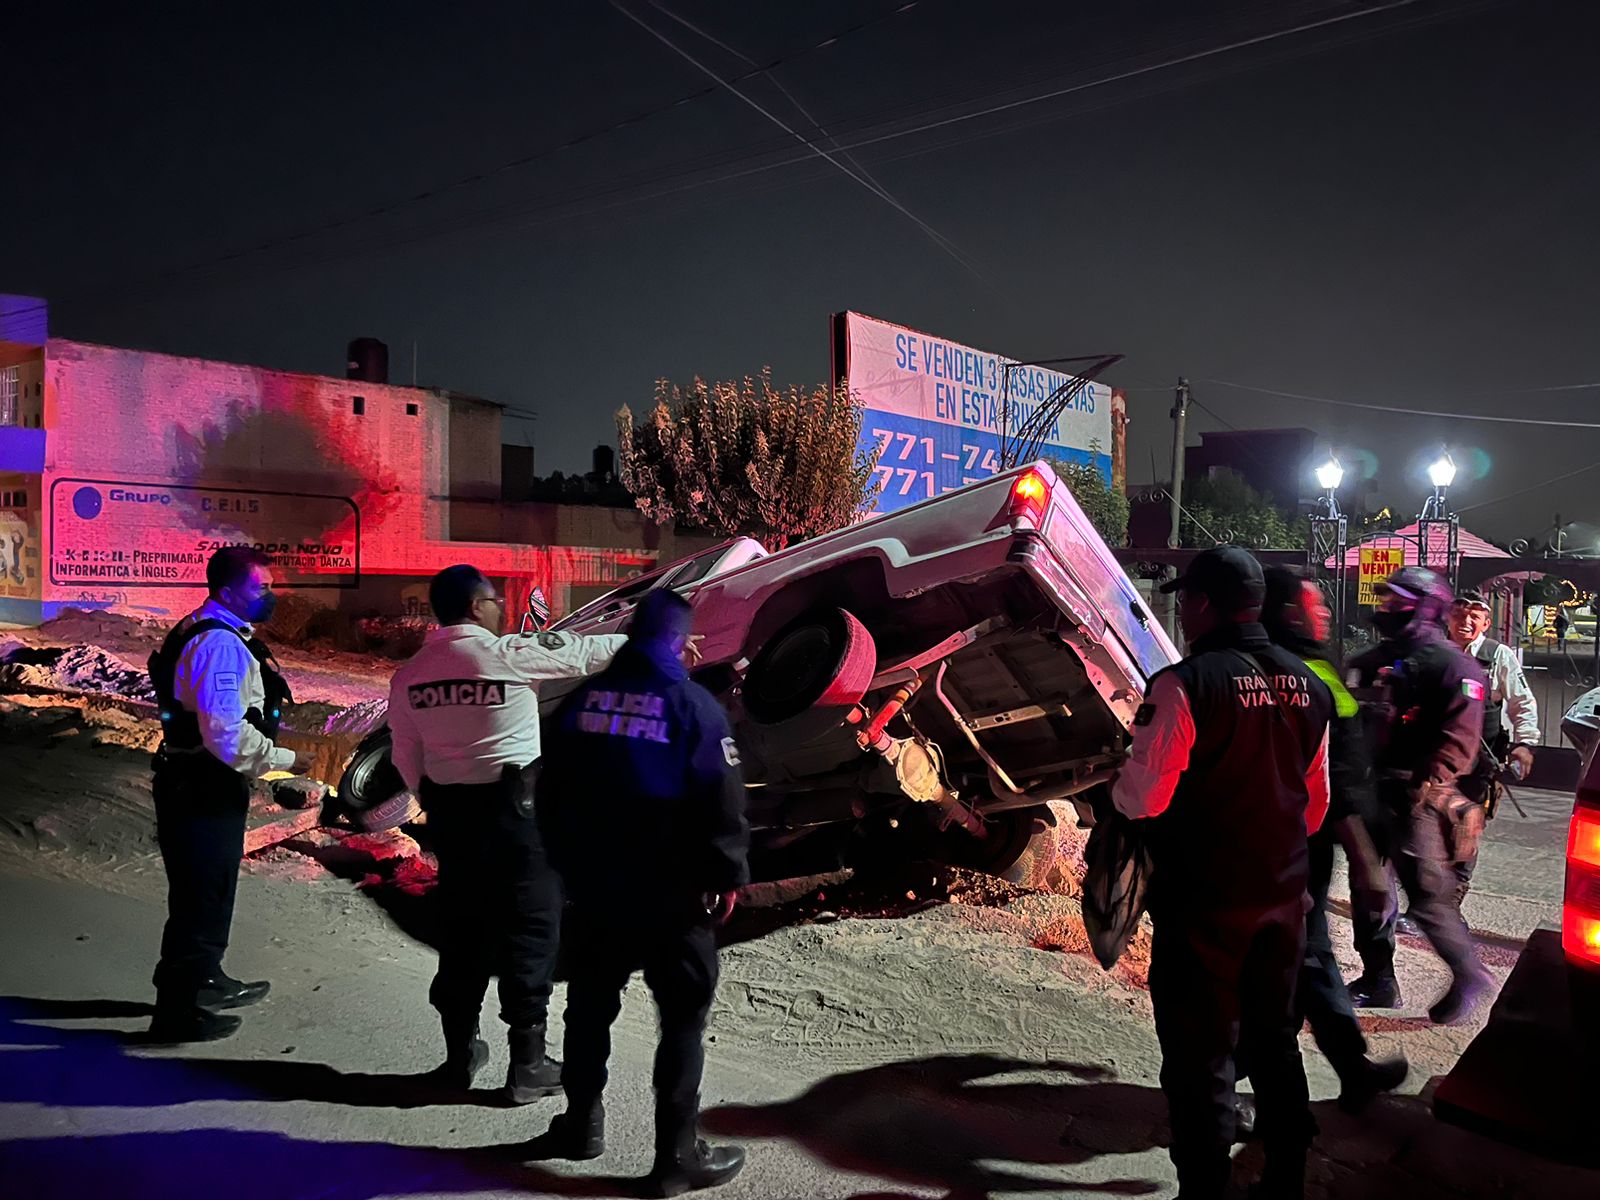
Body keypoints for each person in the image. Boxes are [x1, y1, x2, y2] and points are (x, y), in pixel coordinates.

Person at [1112, 546, 1333, 1200]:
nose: (1181, 610)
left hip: (1204, 902)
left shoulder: (1186, 683)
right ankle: (1285, 1180)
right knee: (1275, 1041)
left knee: (1201, 1057)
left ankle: (1204, 1191)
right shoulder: (1312, 684)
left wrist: (1116, 784)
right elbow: (1315, 806)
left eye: (1185, 599)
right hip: (1284, 897)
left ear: (1203, 604)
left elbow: (1145, 798)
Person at [530, 588, 749, 1197]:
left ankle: (580, 1125)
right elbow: (724, 803)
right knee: (680, 1022)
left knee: (589, 1008)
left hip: (596, 893)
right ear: (680, 641)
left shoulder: (580, 704)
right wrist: (727, 875)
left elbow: (548, 793)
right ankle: (676, 1157)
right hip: (672, 900)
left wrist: (567, 866)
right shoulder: (693, 707)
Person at [387, 565, 627, 1103]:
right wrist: (655, 640)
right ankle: (529, 1064)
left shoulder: (409, 676)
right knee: (531, 929)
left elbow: (406, 758)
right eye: (493, 601)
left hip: (454, 822)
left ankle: (459, 1056)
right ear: (476, 607)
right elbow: (583, 652)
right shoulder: (506, 654)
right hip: (517, 819)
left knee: (463, 932)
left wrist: (440, 803)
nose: (499, 609)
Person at [146, 547, 313, 1043]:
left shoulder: (214, 630)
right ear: (226, 591)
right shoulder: (218, 645)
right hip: (201, 784)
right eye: (261, 587)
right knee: (201, 897)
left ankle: (206, 979)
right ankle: (177, 1012)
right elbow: (225, 734)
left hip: (198, 781)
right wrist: (286, 762)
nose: (271, 595)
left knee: (210, 890)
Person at [1258, 567, 1408, 1111]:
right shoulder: (1313, 671)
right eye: (1313, 604)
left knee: (1309, 953)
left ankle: (1350, 1066)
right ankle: (1231, 1090)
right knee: (1288, 957)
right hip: (1301, 845)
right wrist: (1367, 859)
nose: (1323, 614)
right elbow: (1338, 775)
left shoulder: (1243, 665)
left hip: (1270, 841)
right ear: (1288, 610)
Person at [1345, 568, 1493, 1024]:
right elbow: (1348, 715)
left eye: (1400, 600)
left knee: (1428, 896)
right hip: (1370, 791)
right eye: (1386, 598)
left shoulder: (1454, 664)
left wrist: (1428, 786)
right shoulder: (1374, 659)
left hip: (1417, 799)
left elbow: (1460, 739)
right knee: (1370, 891)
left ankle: (1470, 975)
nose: (1388, 607)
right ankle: (1379, 980)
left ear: (1427, 605)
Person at [1445, 587, 1538, 906]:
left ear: (1486, 622)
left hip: (1478, 763)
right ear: (1448, 618)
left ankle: (1452, 898)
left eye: (1474, 616)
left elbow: (1522, 703)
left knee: (1465, 827)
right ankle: (1431, 899)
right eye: (1459, 614)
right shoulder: (1439, 653)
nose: (1465, 621)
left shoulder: (1497, 655)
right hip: (1438, 759)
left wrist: (1524, 744)